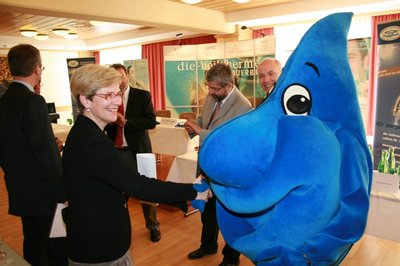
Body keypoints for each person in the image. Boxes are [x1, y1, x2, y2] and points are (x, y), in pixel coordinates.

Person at [63, 63, 210, 265]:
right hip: (100, 247)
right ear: (85, 100)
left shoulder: (88, 132)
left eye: (117, 93)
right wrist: (194, 192)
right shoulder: (91, 141)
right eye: (108, 96)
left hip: (99, 240)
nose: (116, 102)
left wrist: (185, 198)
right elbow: (138, 185)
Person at [0, 44, 66, 265]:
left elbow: (16, 143)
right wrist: (63, 190)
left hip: (20, 186)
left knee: (34, 241)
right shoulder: (34, 101)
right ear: (37, 69)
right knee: (49, 244)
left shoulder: (4, 100)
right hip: (42, 191)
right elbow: (44, 154)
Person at [184, 63, 252, 266]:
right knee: (209, 210)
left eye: (215, 89)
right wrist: (193, 124)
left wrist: (200, 132)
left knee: (231, 216)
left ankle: (231, 258)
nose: (210, 92)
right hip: (207, 164)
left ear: (229, 85)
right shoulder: (213, 96)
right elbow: (206, 120)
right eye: (209, 87)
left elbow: (229, 139)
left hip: (227, 171)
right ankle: (208, 245)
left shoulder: (243, 106)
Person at [106, 63, 161, 243]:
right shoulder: (108, 97)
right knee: (118, 194)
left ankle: (153, 226)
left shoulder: (142, 95)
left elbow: (151, 121)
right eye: (113, 78)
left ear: (127, 76)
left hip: (138, 152)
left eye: (120, 77)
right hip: (116, 153)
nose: (118, 81)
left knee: (147, 191)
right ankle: (120, 229)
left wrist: (125, 121)